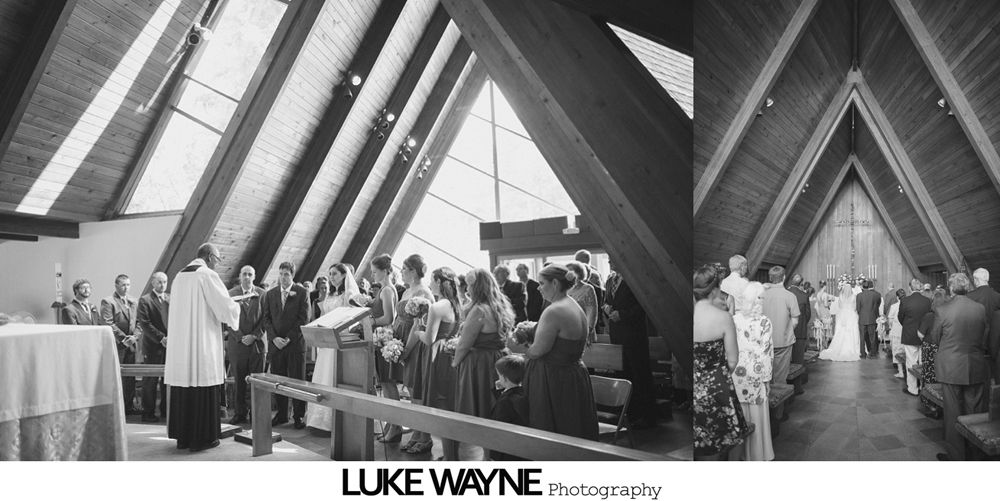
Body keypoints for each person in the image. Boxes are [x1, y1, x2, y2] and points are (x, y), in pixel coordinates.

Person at [164, 243, 240, 452]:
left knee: (184, 386)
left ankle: (184, 438)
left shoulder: (179, 275)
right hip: (201, 345)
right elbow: (224, 307)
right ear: (208, 256)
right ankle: (202, 439)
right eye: (217, 258)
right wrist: (237, 307)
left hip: (182, 346)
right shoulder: (206, 275)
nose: (218, 263)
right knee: (202, 384)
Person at [520, 263, 598, 440]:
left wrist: (520, 343)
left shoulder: (554, 311)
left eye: (542, 283)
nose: (539, 288)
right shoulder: (574, 305)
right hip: (574, 375)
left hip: (553, 379)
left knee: (554, 433)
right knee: (574, 428)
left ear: (555, 283)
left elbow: (537, 351)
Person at [453, 268, 514, 458]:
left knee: (482, 411)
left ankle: (487, 455)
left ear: (477, 286)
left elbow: (464, 344)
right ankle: (491, 455)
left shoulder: (479, 309)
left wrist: (455, 363)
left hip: (481, 365)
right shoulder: (500, 305)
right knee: (493, 409)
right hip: (499, 359)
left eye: (470, 285)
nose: (467, 289)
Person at [929, 273, 990, 461]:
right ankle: (974, 454)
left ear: (951, 288)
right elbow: (985, 334)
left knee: (953, 413)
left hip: (951, 366)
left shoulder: (943, 309)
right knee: (974, 412)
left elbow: (934, 338)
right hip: (975, 364)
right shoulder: (979, 308)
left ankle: (956, 457)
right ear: (968, 287)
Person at [693, 265, 747, 459]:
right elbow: (733, 360)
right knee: (732, 437)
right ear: (715, 289)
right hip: (718, 385)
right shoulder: (723, 318)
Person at [305, 265, 359, 431]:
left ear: (344, 275)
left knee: (335, 376)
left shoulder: (349, 294)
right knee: (324, 375)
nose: (331, 277)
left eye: (334, 274)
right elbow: (324, 316)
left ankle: (338, 420)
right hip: (327, 342)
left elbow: (354, 318)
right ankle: (320, 419)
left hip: (340, 340)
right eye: (330, 274)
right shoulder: (330, 294)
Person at [416, 267, 462, 460]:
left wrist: (418, 328)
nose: (429, 284)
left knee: (438, 402)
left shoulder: (437, 307)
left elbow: (428, 339)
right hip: (451, 353)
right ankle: (451, 451)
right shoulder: (457, 304)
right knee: (449, 401)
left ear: (439, 282)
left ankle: (444, 453)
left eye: (432, 280)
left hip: (436, 354)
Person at [604, 264, 656, 428]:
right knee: (623, 374)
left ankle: (647, 415)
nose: (610, 262)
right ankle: (629, 412)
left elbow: (643, 305)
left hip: (634, 334)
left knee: (639, 374)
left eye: (613, 258)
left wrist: (623, 314)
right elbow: (607, 300)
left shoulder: (634, 278)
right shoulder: (611, 279)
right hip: (617, 333)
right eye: (609, 259)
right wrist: (606, 307)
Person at [262, 261, 310, 429]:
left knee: (297, 381)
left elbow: (303, 319)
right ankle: (282, 415)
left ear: (292, 275)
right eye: (281, 274)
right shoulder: (271, 294)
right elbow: (266, 319)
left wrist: (288, 338)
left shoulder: (302, 292)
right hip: (276, 346)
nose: (283, 277)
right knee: (278, 381)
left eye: (286, 274)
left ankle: (298, 416)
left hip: (295, 344)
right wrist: (274, 338)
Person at [732, 282, 774, 461]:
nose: (762, 301)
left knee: (741, 414)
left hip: (737, 372)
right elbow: (766, 352)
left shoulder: (734, 319)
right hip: (757, 372)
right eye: (761, 297)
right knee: (757, 416)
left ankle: (741, 457)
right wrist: (767, 379)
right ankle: (758, 455)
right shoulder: (764, 322)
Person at [224, 265, 265, 426]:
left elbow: (265, 318)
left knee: (256, 381)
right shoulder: (231, 294)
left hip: (257, 345)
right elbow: (227, 318)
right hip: (238, 344)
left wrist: (254, 335)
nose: (247, 277)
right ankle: (240, 413)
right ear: (240, 276)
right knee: (240, 381)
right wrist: (240, 337)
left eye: (250, 274)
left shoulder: (262, 294)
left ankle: (256, 413)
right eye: (244, 274)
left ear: (254, 277)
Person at [369, 254, 401, 440]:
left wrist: (370, 319)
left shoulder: (387, 290)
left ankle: (395, 427)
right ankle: (391, 425)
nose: (372, 275)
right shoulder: (385, 289)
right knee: (386, 385)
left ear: (384, 270)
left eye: (374, 271)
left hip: (384, 339)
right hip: (381, 339)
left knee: (388, 385)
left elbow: (388, 318)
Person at [101, 274, 141, 415]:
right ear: (116, 285)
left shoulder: (134, 301)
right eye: (123, 285)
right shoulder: (108, 301)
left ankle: (129, 406)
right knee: (116, 376)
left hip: (131, 344)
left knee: (130, 377)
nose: (126, 288)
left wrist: (135, 336)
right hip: (118, 344)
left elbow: (139, 322)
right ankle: (117, 409)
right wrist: (124, 338)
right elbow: (107, 322)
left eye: (128, 285)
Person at [137, 272, 170, 422]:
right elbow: (145, 323)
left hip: (169, 346)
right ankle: (148, 412)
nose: (162, 285)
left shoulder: (170, 298)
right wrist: (161, 338)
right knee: (150, 380)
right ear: (153, 283)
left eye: (164, 282)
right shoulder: (145, 300)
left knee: (167, 380)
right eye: (159, 282)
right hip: (153, 345)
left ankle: (166, 410)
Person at [761, 266, 799, 382]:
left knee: (764, 374)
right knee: (780, 377)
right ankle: (778, 398)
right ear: (784, 277)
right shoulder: (790, 296)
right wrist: (786, 331)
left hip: (764, 340)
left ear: (770, 278)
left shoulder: (761, 295)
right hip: (783, 341)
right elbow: (795, 321)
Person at [489, 354, 529, 461]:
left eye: (499, 376)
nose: (498, 378)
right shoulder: (524, 392)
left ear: (505, 378)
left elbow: (498, 421)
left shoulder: (505, 401)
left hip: (506, 448)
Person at [898, 278, 932, 395]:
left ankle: (912, 388)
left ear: (910, 288)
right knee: (923, 362)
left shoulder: (905, 301)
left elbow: (900, 317)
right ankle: (923, 387)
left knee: (911, 361)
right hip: (925, 335)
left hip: (910, 334)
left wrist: (908, 326)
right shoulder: (927, 301)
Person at [819, 279, 861, 362]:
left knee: (841, 331)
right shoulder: (854, 296)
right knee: (852, 331)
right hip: (851, 315)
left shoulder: (841, 296)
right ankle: (853, 349)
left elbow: (840, 306)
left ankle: (838, 348)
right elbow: (855, 307)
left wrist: (844, 310)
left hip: (842, 314)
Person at [565, 261, 599, 343]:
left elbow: (592, 312)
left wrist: (588, 330)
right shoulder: (565, 289)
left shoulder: (587, 288)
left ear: (578, 273)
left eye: (570, 271)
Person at [787, 274, 811, 365]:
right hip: (800, 329)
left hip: (785, 330)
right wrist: (803, 323)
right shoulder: (804, 296)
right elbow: (808, 314)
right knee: (798, 360)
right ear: (801, 283)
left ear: (791, 281)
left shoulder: (786, 293)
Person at [856, 280, 882, 359]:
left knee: (862, 337)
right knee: (872, 337)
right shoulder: (875, 295)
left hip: (862, 319)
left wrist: (862, 314)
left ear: (862, 287)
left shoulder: (859, 295)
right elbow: (877, 306)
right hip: (872, 318)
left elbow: (858, 309)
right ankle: (873, 353)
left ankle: (863, 354)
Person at [887, 289, 906, 379]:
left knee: (897, 350)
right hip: (906, 331)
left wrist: (891, 327)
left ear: (897, 297)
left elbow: (890, 320)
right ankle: (907, 369)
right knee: (906, 351)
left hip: (897, 331)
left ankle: (901, 371)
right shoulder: (908, 304)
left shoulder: (894, 306)